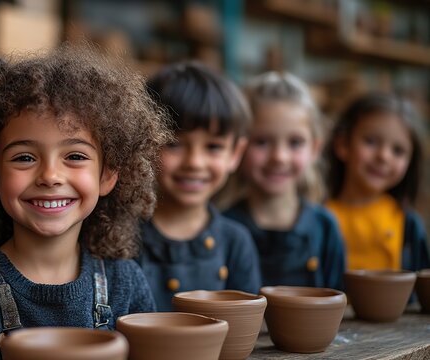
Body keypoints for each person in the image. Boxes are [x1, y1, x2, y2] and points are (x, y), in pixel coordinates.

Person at [0, 46, 170, 359]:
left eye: (74, 156)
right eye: (24, 157)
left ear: (108, 175)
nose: (50, 176)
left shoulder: (125, 283)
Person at [138, 61, 261, 311]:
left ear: (235, 153)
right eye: (173, 144)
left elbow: (247, 327)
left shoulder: (236, 242)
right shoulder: (120, 237)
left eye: (213, 147)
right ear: (145, 145)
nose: (194, 163)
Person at [223, 72, 346, 290]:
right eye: (261, 141)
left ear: (315, 149)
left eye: (295, 142)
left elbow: (339, 301)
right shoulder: (225, 229)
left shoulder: (325, 227)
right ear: (239, 147)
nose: (279, 156)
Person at [324, 92, 429, 272]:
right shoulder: (318, 218)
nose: (383, 156)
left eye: (398, 150)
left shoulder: (408, 225)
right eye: (371, 141)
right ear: (343, 145)